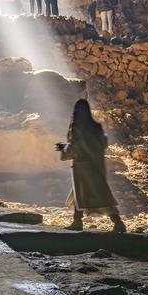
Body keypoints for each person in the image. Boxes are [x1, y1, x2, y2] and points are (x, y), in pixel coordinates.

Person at [56, 99, 126, 233]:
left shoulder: (76, 128)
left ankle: (116, 223)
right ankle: (116, 222)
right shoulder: (97, 127)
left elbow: (74, 148)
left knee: (83, 193)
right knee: (96, 193)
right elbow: (102, 145)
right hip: (96, 165)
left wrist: (61, 147)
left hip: (82, 167)